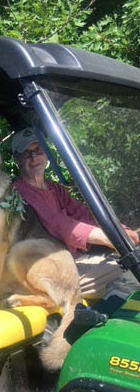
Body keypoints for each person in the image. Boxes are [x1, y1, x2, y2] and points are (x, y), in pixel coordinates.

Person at [11, 127, 140, 299]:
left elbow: (84, 214)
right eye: (26, 154)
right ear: (16, 160)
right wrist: (108, 238)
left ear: (46, 153)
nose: (34, 157)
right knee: (131, 271)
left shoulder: (54, 188)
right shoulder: (18, 191)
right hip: (49, 271)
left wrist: (121, 231)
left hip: (73, 261)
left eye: (38, 150)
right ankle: (99, 319)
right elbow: (59, 224)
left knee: (129, 262)